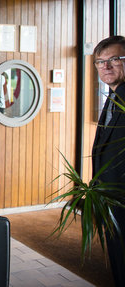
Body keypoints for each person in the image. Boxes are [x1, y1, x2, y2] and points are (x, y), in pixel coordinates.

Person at [92, 35, 125, 287]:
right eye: (101, 62)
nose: (106, 66)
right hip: (111, 199)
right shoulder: (113, 96)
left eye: (115, 59)